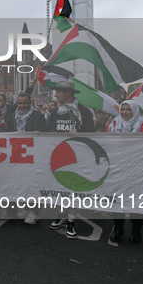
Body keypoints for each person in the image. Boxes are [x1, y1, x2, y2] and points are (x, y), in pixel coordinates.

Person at [45, 81, 95, 238]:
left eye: (58, 92)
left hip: (77, 157)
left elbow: (92, 135)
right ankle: (60, 216)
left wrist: (78, 135)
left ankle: (71, 222)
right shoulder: (55, 112)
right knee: (59, 189)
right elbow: (48, 132)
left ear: (68, 93)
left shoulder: (84, 111)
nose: (55, 95)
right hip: (59, 156)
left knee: (73, 191)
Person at [107, 100, 143, 244]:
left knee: (136, 200)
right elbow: (106, 141)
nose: (125, 112)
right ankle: (118, 227)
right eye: (122, 109)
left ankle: (136, 229)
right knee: (116, 199)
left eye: (128, 110)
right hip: (118, 168)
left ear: (135, 111)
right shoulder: (114, 123)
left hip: (137, 169)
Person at [4, 93, 46, 223]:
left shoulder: (38, 116)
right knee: (18, 181)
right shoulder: (11, 118)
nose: (22, 106)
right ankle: (21, 206)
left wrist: (40, 134)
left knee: (33, 183)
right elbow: (5, 134)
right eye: (20, 103)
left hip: (33, 156)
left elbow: (46, 132)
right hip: (16, 155)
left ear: (30, 103)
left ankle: (34, 212)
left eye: (25, 103)